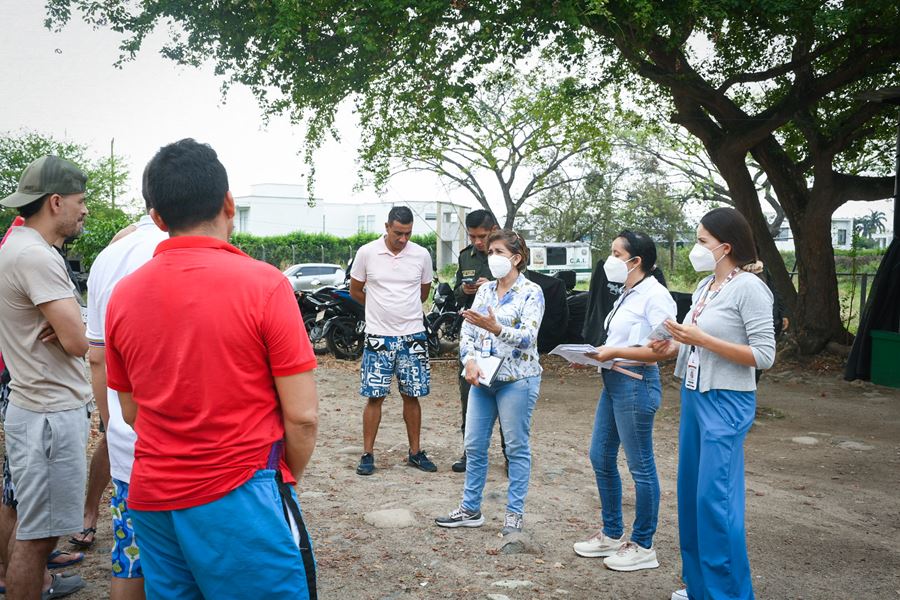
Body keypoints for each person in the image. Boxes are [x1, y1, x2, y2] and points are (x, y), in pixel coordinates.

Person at [104, 139, 319, 599]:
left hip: (153, 496)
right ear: (228, 203)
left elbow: (130, 410)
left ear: (158, 218)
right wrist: (282, 477)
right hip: (241, 490)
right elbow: (302, 416)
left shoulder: (124, 294)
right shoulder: (265, 285)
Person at [652, 207, 775, 600]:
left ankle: (728, 594)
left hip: (726, 401)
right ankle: (699, 588)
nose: (696, 247)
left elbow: (763, 355)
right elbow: (696, 339)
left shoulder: (750, 287)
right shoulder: (707, 286)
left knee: (714, 501)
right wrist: (672, 343)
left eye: (702, 241)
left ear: (725, 246)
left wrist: (701, 340)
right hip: (693, 395)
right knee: (691, 496)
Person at [0, 156, 91, 599]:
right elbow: (77, 341)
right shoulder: (37, 256)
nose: (85, 210)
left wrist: (74, 323)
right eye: (80, 201)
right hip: (50, 415)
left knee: (36, 532)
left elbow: (72, 331)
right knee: (37, 540)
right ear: (55, 202)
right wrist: (77, 325)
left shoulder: (16, 246)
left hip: (34, 408)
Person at [86, 167, 169, 600]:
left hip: (126, 443)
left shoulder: (106, 258)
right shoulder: (177, 249)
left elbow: (97, 356)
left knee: (130, 558)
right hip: (183, 448)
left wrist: (110, 418)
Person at [572, 231, 676, 572]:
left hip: (636, 383)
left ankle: (643, 544)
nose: (610, 259)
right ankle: (613, 533)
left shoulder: (656, 296)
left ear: (636, 261)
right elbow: (618, 339)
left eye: (617, 253)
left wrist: (614, 352)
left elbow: (660, 350)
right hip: (613, 380)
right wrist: (593, 356)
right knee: (599, 455)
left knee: (640, 466)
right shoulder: (626, 293)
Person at [435, 230, 544, 535]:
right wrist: (468, 360)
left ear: (516, 258)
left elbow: (528, 338)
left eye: (499, 252)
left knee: (516, 447)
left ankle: (514, 514)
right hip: (482, 378)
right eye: (490, 252)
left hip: (517, 379)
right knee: (474, 445)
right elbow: (468, 331)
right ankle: (470, 509)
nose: (492, 257)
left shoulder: (531, 292)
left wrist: (497, 329)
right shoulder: (484, 292)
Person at [350, 207, 436, 476]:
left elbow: (423, 293)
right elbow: (355, 290)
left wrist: (402, 312)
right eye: (398, 233)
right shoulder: (367, 252)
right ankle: (367, 454)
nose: (403, 239)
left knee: (412, 395)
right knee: (374, 396)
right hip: (378, 337)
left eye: (408, 233)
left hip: (413, 336)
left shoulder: (421, 255)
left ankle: (415, 452)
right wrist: (379, 307)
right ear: (387, 226)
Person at [450, 209, 497, 473]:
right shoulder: (465, 256)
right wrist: (464, 290)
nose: (478, 241)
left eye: (483, 235)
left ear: (493, 229)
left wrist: (491, 284)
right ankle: (470, 452)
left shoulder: (508, 252)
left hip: (500, 334)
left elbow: (523, 288)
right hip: (473, 336)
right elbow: (457, 295)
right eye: (473, 236)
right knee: (469, 394)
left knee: (504, 394)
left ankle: (509, 454)